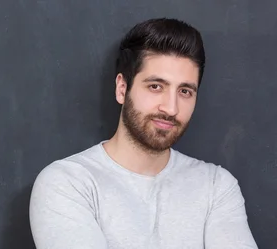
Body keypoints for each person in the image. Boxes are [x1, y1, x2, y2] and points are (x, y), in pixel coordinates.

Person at [28, 18, 258, 249]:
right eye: (155, 86)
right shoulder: (68, 183)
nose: (171, 108)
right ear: (122, 88)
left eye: (185, 91)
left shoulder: (216, 186)